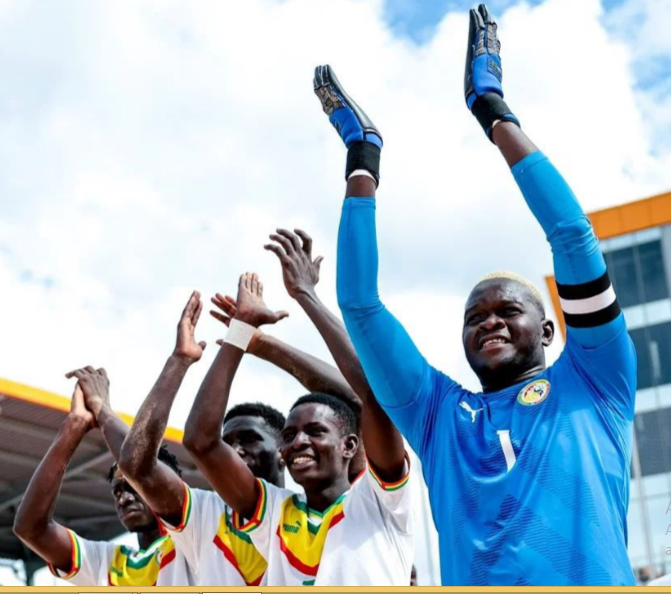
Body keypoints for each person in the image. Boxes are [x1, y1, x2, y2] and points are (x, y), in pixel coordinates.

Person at [315, 3, 636, 586]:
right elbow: (359, 305)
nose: (488, 322)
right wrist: (362, 160)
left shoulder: (595, 379)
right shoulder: (439, 417)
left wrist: (493, 110)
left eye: (507, 310)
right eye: (474, 317)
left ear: (548, 331)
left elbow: (573, 238)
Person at [119, 289, 370, 585]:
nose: (235, 450)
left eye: (249, 439)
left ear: (282, 450)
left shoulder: (358, 501)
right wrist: (180, 360)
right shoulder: (207, 515)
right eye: (228, 442)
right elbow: (138, 464)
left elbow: (356, 404)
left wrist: (258, 342)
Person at [184, 272, 413, 586]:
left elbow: (370, 394)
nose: (298, 442)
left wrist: (305, 296)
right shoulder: (275, 512)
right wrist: (240, 331)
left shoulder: (380, 500)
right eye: (289, 436)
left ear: (349, 445)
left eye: (315, 431)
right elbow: (200, 441)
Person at [13, 368, 193, 586]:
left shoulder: (199, 543)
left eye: (134, 488)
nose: (124, 499)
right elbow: (30, 529)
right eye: (118, 491)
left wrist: (101, 407)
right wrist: (74, 425)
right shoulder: (108, 564)